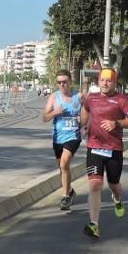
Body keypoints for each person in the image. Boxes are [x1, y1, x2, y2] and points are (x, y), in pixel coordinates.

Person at [79, 68, 128, 239]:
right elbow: (85, 109)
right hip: (94, 146)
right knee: (95, 185)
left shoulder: (122, 99)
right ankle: (94, 224)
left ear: (115, 82)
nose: (105, 83)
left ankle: (117, 198)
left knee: (114, 184)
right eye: (102, 80)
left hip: (113, 148)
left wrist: (117, 123)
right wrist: (84, 125)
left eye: (109, 80)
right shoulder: (92, 98)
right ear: (98, 81)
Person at [43, 69, 81, 210]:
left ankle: (65, 197)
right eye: (59, 82)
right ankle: (70, 191)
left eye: (64, 82)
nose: (62, 85)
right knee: (62, 167)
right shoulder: (54, 97)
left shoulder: (79, 96)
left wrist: (84, 123)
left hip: (73, 136)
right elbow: (44, 117)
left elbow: (89, 111)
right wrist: (54, 112)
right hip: (58, 137)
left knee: (65, 163)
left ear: (70, 82)